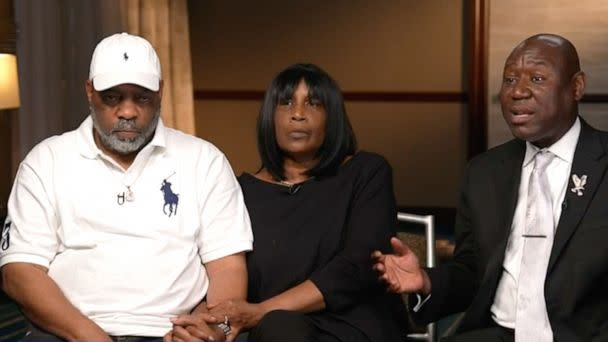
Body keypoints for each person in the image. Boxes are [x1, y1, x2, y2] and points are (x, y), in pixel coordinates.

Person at [0, 32, 253, 341]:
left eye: (142, 97)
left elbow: (227, 266)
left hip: (174, 333)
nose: (128, 112)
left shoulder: (205, 160)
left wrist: (207, 325)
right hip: (69, 332)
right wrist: (89, 336)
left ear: (160, 92)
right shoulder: (46, 161)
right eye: (113, 97)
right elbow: (19, 272)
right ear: (89, 92)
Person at [373, 33, 608, 341]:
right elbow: (473, 271)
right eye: (509, 79)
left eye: (537, 78)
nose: (518, 91)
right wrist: (427, 282)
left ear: (576, 87)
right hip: (495, 333)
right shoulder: (484, 171)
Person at [169, 63, 409, 342]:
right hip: (278, 333)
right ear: (269, 117)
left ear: (332, 117)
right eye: (286, 103)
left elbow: (358, 266)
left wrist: (260, 311)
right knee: (281, 328)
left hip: (356, 329)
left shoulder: (366, 171)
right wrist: (206, 326)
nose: (297, 114)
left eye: (313, 103)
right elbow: (219, 277)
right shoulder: (238, 191)